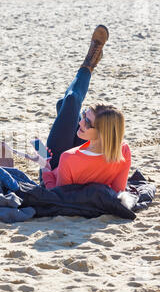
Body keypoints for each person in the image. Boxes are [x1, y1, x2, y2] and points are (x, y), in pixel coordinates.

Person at [41, 25, 131, 193]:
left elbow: (58, 196)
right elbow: (119, 190)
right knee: (70, 104)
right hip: (85, 147)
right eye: (84, 116)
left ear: (103, 132)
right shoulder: (123, 150)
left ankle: (89, 64)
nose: (81, 122)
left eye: (87, 122)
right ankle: (89, 64)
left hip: (54, 165)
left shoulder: (66, 158)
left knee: (68, 102)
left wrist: (44, 167)